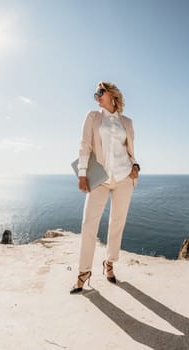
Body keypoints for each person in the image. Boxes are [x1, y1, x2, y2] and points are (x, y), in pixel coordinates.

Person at [70, 81, 140, 294]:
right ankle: (83, 273)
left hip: (124, 177)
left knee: (117, 222)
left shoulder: (127, 122)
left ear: (112, 94)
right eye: (95, 93)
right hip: (99, 178)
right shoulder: (93, 117)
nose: (97, 96)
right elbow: (85, 146)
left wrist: (135, 165)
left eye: (100, 92)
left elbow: (129, 150)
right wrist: (82, 175)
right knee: (88, 223)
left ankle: (109, 263)